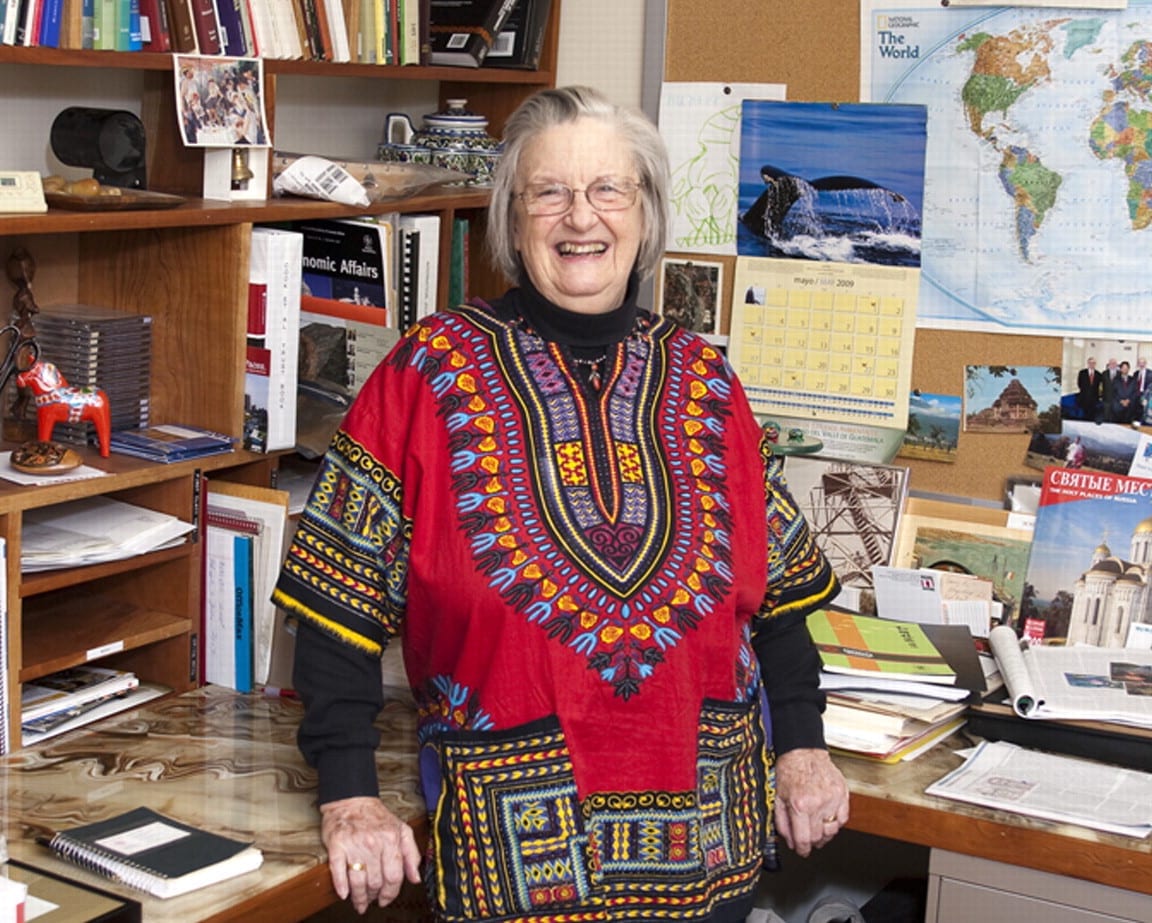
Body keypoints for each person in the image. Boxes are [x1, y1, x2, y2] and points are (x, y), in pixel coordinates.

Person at [272, 85, 848, 922]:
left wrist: (801, 745)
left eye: (609, 190)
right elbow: (331, 611)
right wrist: (350, 795)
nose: (582, 217)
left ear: (645, 216)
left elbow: (780, 605)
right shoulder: (425, 374)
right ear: (513, 218)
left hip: (705, 856)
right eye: (551, 192)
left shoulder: (709, 383)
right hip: (512, 857)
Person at [1112, 360, 1139, 425]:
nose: (1125, 370)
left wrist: (1128, 400)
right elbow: (1113, 393)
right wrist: (1121, 401)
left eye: (1126, 368)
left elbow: (1135, 392)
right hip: (1118, 406)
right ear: (1121, 369)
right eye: (1123, 368)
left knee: (1128, 425)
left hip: (1130, 407)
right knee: (1118, 426)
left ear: (1129, 369)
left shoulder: (1133, 379)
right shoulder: (1115, 380)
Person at [1076, 357, 1103, 422]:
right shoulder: (1082, 372)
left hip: (1094, 399)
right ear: (1088, 363)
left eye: (1093, 363)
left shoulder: (1098, 374)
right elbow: (1079, 384)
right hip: (1084, 398)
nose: (1092, 364)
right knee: (1084, 416)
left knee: (1092, 416)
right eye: (1090, 363)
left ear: (1095, 364)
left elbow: (1099, 387)